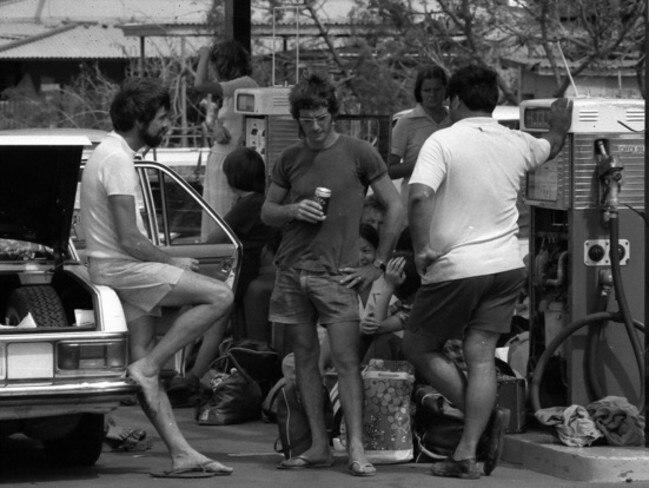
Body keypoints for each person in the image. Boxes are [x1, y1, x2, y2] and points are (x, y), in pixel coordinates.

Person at [403, 64, 572, 479]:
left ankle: (483, 417)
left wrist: (422, 248)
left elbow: (420, 195)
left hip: (458, 267)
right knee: (480, 356)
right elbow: (551, 145)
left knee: (418, 346)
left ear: (455, 100)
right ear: (493, 101)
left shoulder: (441, 141)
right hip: (506, 266)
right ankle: (465, 453)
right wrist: (558, 125)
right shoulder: (516, 141)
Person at [80, 77, 234, 478]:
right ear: (141, 118)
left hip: (115, 270)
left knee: (145, 369)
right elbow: (130, 240)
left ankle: (181, 453)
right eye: (163, 117)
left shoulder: (110, 152)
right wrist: (173, 260)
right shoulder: (117, 159)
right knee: (220, 296)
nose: (167, 125)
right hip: (123, 268)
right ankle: (150, 366)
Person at [261, 73, 403, 477]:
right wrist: (292, 209)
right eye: (307, 119)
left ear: (333, 114)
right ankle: (320, 445)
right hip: (292, 270)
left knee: (345, 361)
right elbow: (267, 211)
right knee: (303, 359)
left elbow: (395, 206)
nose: (316, 126)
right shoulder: (289, 157)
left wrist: (377, 263)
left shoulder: (359, 152)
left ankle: (357, 448)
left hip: (338, 274)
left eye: (322, 117)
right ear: (298, 118)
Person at [167, 147, 271, 406]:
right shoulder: (260, 201)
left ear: (233, 178)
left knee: (207, 317)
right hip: (245, 271)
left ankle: (190, 377)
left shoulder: (247, 205)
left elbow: (216, 239)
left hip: (235, 273)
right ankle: (189, 374)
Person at [194, 39, 258, 236]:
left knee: (225, 216)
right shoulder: (231, 92)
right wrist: (217, 129)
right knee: (214, 213)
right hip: (219, 157)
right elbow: (232, 122)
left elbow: (200, 84)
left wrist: (204, 54)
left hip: (231, 161)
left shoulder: (244, 83)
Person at [388, 65, 451, 214]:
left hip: (449, 205)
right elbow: (389, 170)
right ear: (419, 92)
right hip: (416, 204)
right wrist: (425, 164)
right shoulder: (406, 122)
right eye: (427, 90)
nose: (432, 95)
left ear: (445, 90)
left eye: (437, 90)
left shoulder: (455, 120)